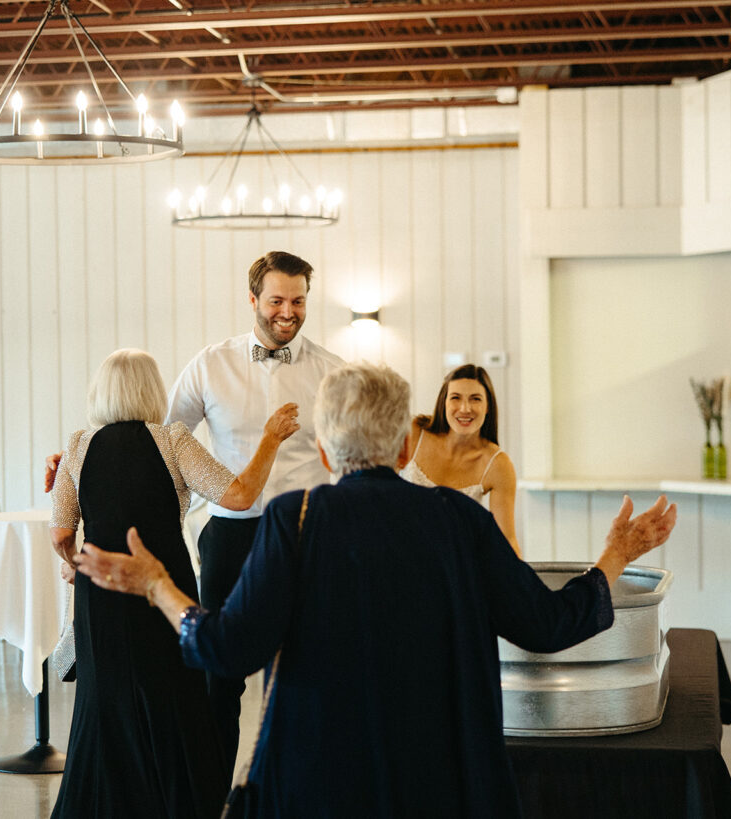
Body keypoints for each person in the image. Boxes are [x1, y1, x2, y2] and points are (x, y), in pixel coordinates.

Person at [73, 361, 678, 818]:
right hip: (445, 785)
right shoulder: (460, 521)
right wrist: (615, 555)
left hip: (317, 783)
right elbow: (548, 625)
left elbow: (225, 649)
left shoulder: (295, 520)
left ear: (326, 451)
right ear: (406, 445)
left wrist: (158, 587)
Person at [48, 348, 299, 819]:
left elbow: (61, 532)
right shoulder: (172, 441)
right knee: (172, 698)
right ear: (152, 391)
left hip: (100, 596)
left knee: (102, 702)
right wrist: (269, 439)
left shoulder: (78, 447)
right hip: (161, 593)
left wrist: (79, 563)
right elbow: (241, 496)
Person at [163, 249, 344, 779]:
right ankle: (214, 789)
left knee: (305, 664)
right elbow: (164, 442)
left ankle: (300, 785)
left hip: (307, 535)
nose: (287, 312)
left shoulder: (333, 373)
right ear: (252, 300)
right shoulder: (209, 364)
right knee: (220, 669)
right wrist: (81, 461)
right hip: (229, 535)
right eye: (276, 301)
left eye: (298, 301)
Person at [401, 363, 521, 554]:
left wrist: (520, 581)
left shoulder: (497, 464)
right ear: (444, 403)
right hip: (400, 553)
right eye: (455, 398)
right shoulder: (414, 432)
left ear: (487, 406)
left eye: (475, 399)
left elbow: (507, 542)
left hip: (456, 564)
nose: (465, 408)